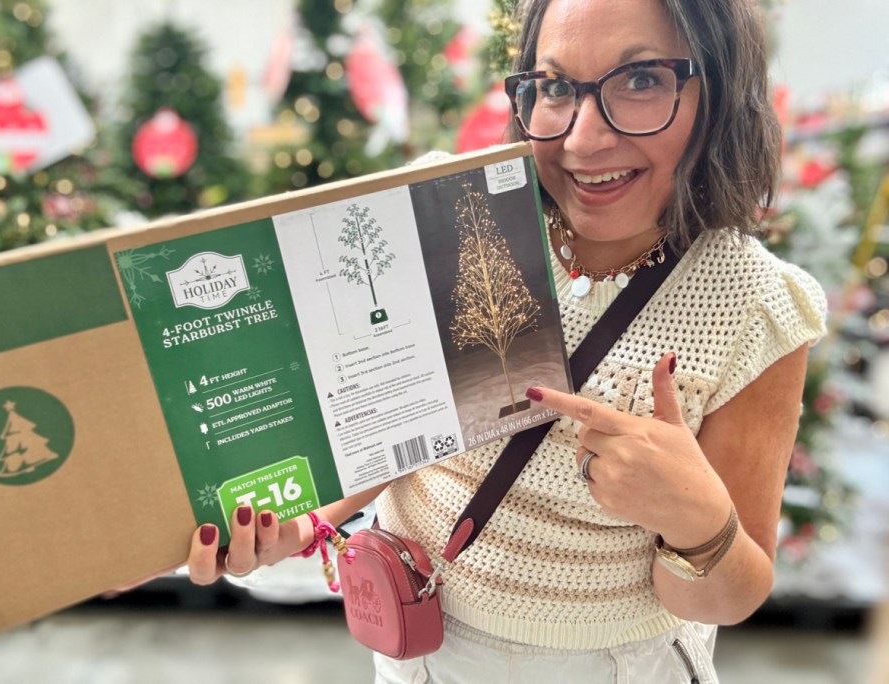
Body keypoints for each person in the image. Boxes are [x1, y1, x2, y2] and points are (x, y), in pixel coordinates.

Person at [184, 1, 827, 681]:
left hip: (615, 667)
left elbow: (733, 594)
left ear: (722, 91)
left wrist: (697, 521)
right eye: (554, 87)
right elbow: (379, 428)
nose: (583, 139)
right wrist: (304, 522)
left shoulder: (754, 306)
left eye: (641, 80)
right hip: (422, 656)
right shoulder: (451, 211)